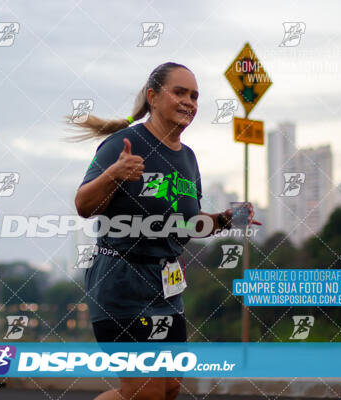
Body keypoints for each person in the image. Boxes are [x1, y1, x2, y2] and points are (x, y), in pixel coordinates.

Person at [70, 62, 261, 400]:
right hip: (121, 283)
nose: (189, 101)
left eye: (195, 96)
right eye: (180, 92)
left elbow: (186, 224)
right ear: (153, 97)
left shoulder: (187, 158)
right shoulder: (123, 143)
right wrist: (114, 174)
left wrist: (224, 220)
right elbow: (84, 205)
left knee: (169, 387)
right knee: (146, 392)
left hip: (167, 287)